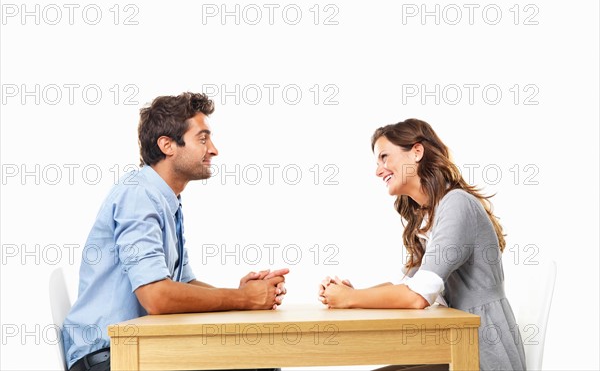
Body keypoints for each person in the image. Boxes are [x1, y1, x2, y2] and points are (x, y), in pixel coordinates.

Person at [63, 92, 288, 371]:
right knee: (256, 362)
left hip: (135, 351)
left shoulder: (165, 199)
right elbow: (157, 296)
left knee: (258, 356)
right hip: (110, 358)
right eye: (203, 139)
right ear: (168, 145)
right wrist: (243, 299)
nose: (214, 149)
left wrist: (241, 294)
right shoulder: (139, 196)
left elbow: (182, 284)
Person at [318, 118, 526, 371]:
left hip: (483, 350)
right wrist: (354, 294)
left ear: (417, 152)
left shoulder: (456, 204)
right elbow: (407, 287)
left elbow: (417, 298)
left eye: (384, 157)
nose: (378, 170)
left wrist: (351, 298)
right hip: (454, 344)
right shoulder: (428, 215)